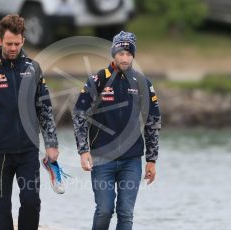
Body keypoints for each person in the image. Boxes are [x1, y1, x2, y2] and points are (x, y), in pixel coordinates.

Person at [0, 14, 60, 230]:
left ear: (23, 41)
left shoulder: (33, 68)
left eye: (17, 43)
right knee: (1, 205)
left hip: (28, 149)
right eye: (9, 43)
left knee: (31, 201)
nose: (13, 48)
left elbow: (44, 109)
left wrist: (52, 144)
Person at [72, 31, 161, 230]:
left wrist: (152, 159)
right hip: (102, 157)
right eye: (121, 53)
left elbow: (153, 121)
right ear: (113, 53)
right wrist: (83, 150)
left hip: (132, 160)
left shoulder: (142, 83)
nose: (125, 58)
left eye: (129, 54)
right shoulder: (97, 79)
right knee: (104, 210)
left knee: (126, 213)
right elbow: (79, 114)